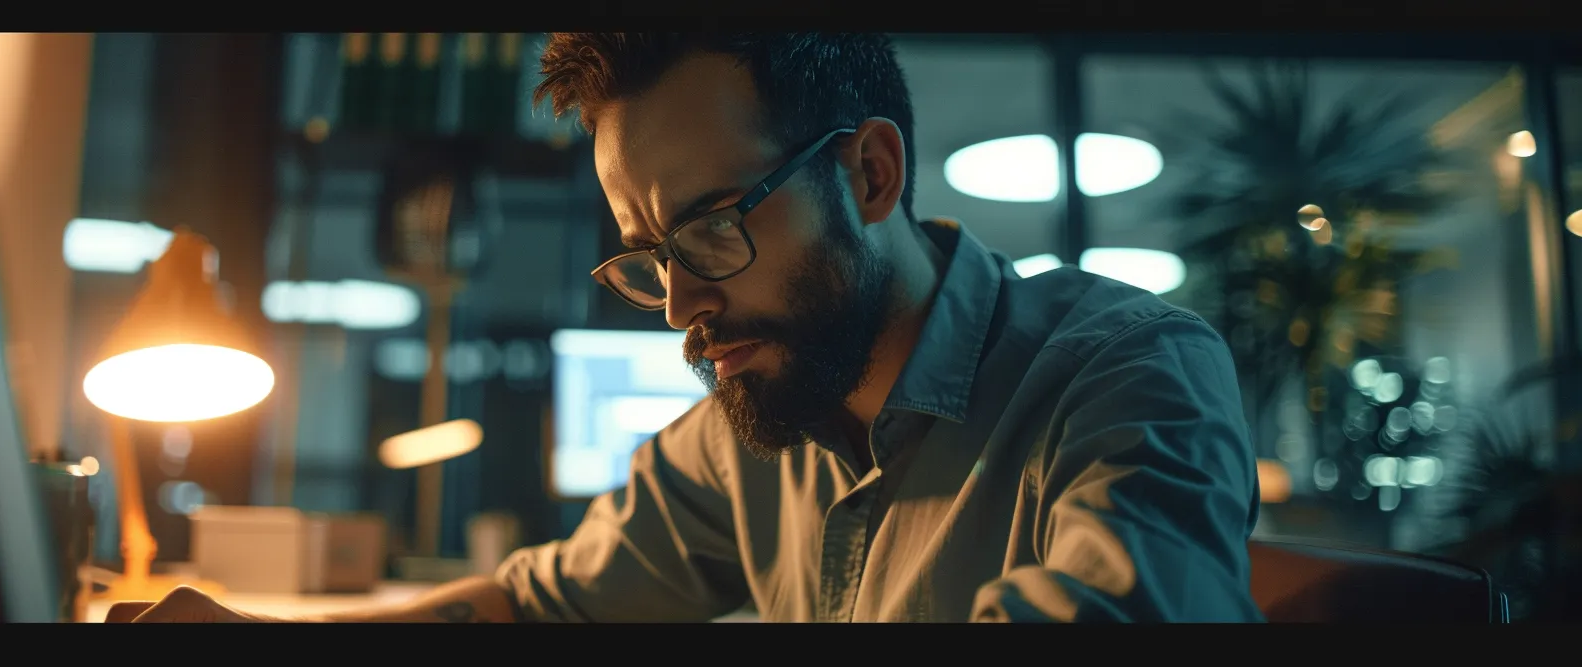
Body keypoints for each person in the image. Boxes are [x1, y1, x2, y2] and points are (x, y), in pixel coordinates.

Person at [125, 32, 1264, 624]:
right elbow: (536, 606)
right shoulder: (747, 428)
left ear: (869, 174)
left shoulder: (1124, 374)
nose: (678, 306)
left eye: (712, 230)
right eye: (648, 257)